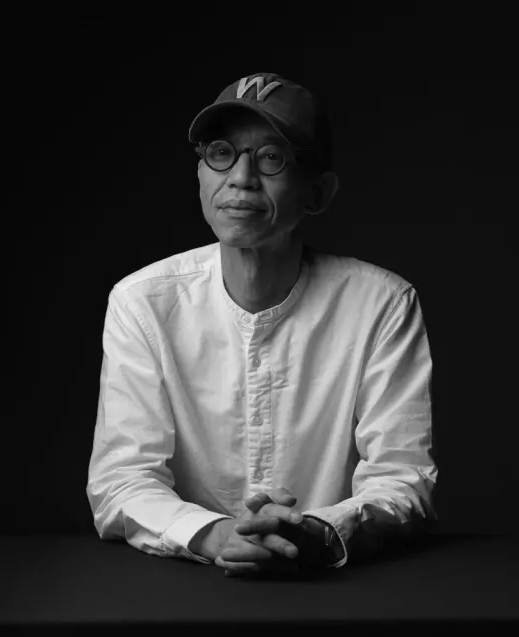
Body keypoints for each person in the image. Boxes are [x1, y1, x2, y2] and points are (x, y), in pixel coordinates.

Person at [86, 72, 438, 578]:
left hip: (336, 592)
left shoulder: (382, 304)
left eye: (272, 158)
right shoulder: (142, 302)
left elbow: (403, 478)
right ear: (200, 174)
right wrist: (217, 535)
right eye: (221, 153)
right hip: (184, 590)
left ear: (319, 192)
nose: (241, 178)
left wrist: (317, 532)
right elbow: (121, 480)